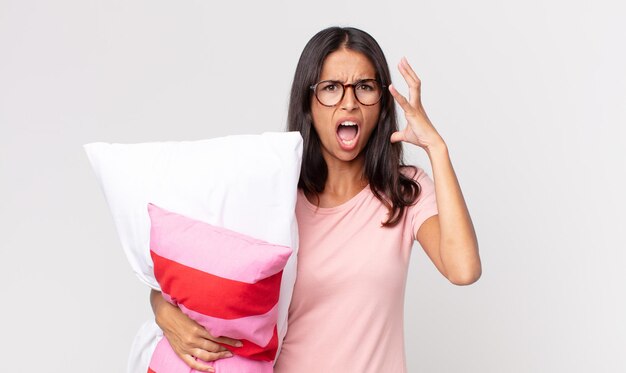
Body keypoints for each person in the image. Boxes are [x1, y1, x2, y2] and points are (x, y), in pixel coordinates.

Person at [150, 26, 482, 372]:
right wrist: (160, 309)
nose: (349, 102)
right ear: (308, 103)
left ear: (382, 103)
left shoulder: (405, 193)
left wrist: (436, 148)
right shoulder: (274, 196)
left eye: (365, 87)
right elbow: (196, 280)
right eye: (331, 88)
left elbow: (463, 269)